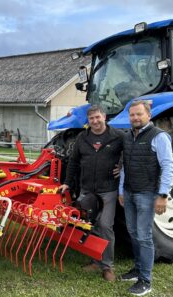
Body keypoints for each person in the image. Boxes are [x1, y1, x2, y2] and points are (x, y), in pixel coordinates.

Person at [58, 105, 124, 281]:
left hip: (108, 190)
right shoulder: (83, 137)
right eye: (91, 119)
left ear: (104, 117)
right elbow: (73, 162)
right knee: (89, 224)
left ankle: (107, 266)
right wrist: (66, 183)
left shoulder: (118, 136)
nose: (95, 121)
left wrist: (122, 166)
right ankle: (95, 260)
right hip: (87, 189)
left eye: (98, 117)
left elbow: (130, 152)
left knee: (105, 226)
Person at [118, 100, 173, 296]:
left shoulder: (159, 137)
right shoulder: (128, 137)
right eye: (132, 115)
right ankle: (137, 268)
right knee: (133, 232)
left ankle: (146, 280)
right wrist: (120, 191)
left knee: (144, 236)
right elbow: (124, 166)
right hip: (129, 192)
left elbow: (168, 166)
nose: (135, 118)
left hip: (147, 194)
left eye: (139, 114)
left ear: (148, 116)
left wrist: (163, 195)